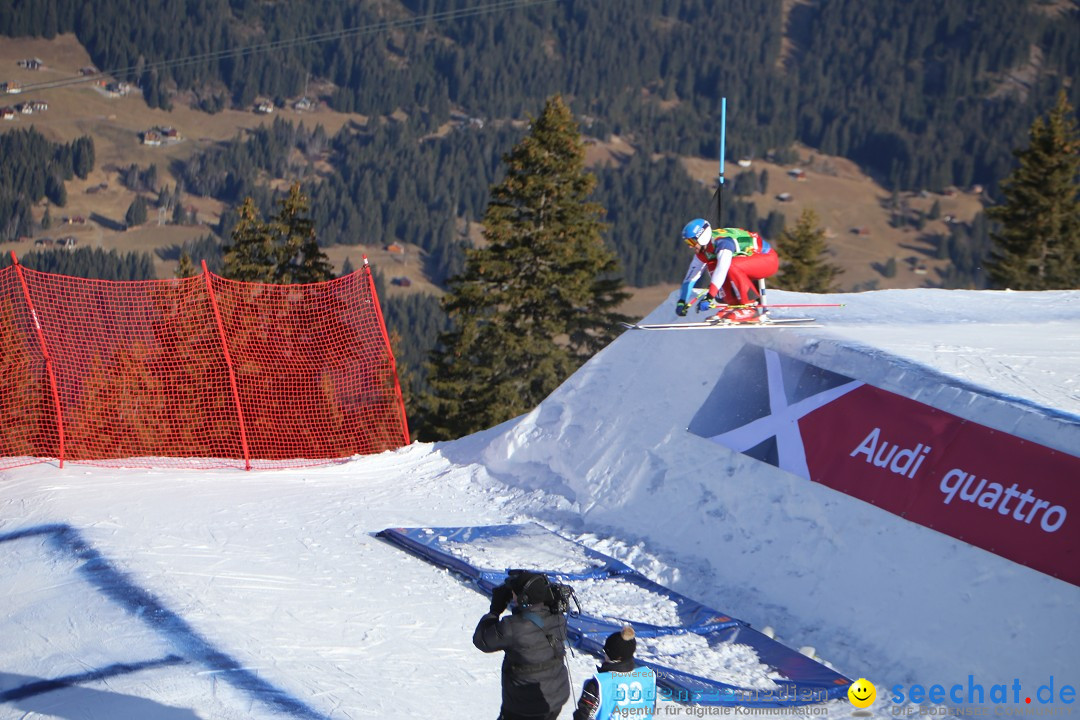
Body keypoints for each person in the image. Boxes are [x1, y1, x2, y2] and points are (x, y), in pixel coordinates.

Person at [473, 570, 571, 720]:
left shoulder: (513, 627)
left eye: (514, 594)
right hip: (555, 698)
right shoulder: (557, 615)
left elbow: (482, 640)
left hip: (523, 707)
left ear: (523, 599)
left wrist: (494, 611)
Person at [675, 218, 779, 323]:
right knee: (712, 264)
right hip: (749, 261)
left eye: (691, 241)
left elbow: (722, 269)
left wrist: (710, 296)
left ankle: (749, 307)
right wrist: (682, 301)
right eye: (687, 242)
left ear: (702, 237)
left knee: (730, 265)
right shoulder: (703, 251)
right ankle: (734, 305)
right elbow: (691, 277)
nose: (689, 246)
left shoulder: (723, 243)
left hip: (767, 259)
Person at [571, 625, 657, 719]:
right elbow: (651, 708)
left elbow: (583, 716)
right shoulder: (647, 678)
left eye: (606, 651)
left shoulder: (598, 684)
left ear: (611, 655)